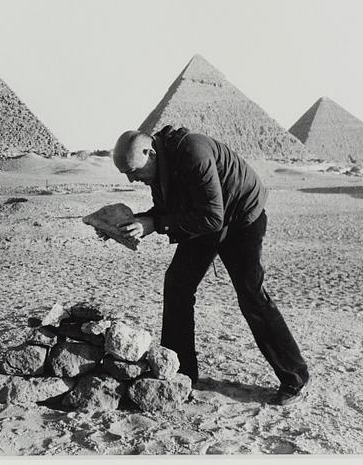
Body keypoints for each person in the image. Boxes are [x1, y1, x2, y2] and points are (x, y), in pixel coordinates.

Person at [107, 126, 309, 406]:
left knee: (251, 296)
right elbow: (168, 210)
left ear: (150, 153)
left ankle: (294, 378)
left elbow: (212, 218)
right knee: (177, 285)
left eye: (133, 170)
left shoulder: (193, 153)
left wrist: (156, 223)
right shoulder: (158, 166)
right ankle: (180, 373)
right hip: (207, 218)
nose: (131, 179)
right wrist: (133, 224)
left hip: (241, 217)